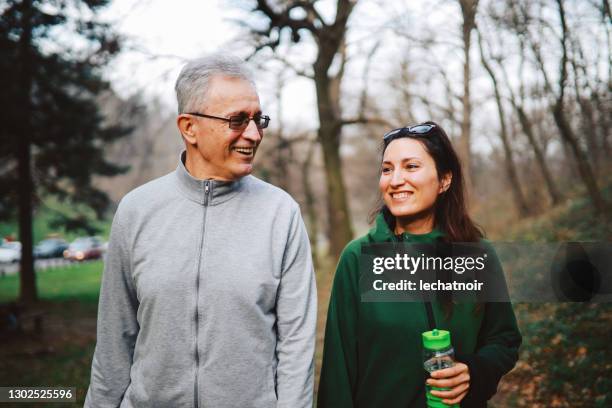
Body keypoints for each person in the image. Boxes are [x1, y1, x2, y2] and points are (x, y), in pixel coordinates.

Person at [85, 54, 317, 408]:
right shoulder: (136, 211)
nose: (253, 134)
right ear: (189, 127)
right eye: (238, 120)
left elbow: (297, 345)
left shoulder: (281, 213)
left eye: (258, 119)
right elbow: (114, 341)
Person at [317, 122, 521, 407]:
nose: (395, 179)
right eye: (387, 169)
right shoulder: (358, 258)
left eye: (411, 166)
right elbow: (338, 372)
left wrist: (474, 373)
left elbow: (504, 339)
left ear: (444, 180)